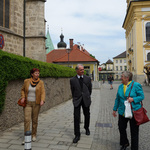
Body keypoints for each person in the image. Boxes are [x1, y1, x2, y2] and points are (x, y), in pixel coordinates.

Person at [112, 71, 144, 150]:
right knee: (121, 127)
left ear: (127, 78)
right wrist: (114, 109)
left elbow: (141, 96)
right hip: (122, 112)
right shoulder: (120, 86)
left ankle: (134, 147)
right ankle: (125, 143)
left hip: (134, 112)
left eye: (122, 76)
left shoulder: (136, 85)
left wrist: (133, 99)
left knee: (134, 131)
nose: (120, 78)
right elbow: (117, 99)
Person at [20, 68, 45, 144]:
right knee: (27, 120)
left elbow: (43, 92)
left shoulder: (41, 82)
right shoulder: (26, 81)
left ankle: (34, 135)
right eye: (36, 73)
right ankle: (27, 137)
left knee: (34, 120)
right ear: (32, 74)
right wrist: (23, 97)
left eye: (38, 73)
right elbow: (22, 90)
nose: (37, 74)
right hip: (27, 103)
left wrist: (42, 100)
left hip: (36, 104)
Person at [70, 64, 92, 143]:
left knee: (87, 114)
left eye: (83, 69)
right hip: (77, 100)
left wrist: (87, 96)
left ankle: (87, 128)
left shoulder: (88, 79)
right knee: (76, 117)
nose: (83, 71)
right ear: (77, 71)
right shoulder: (72, 80)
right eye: (81, 70)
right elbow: (72, 91)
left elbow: (90, 90)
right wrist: (75, 98)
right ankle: (77, 135)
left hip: (86, 99)